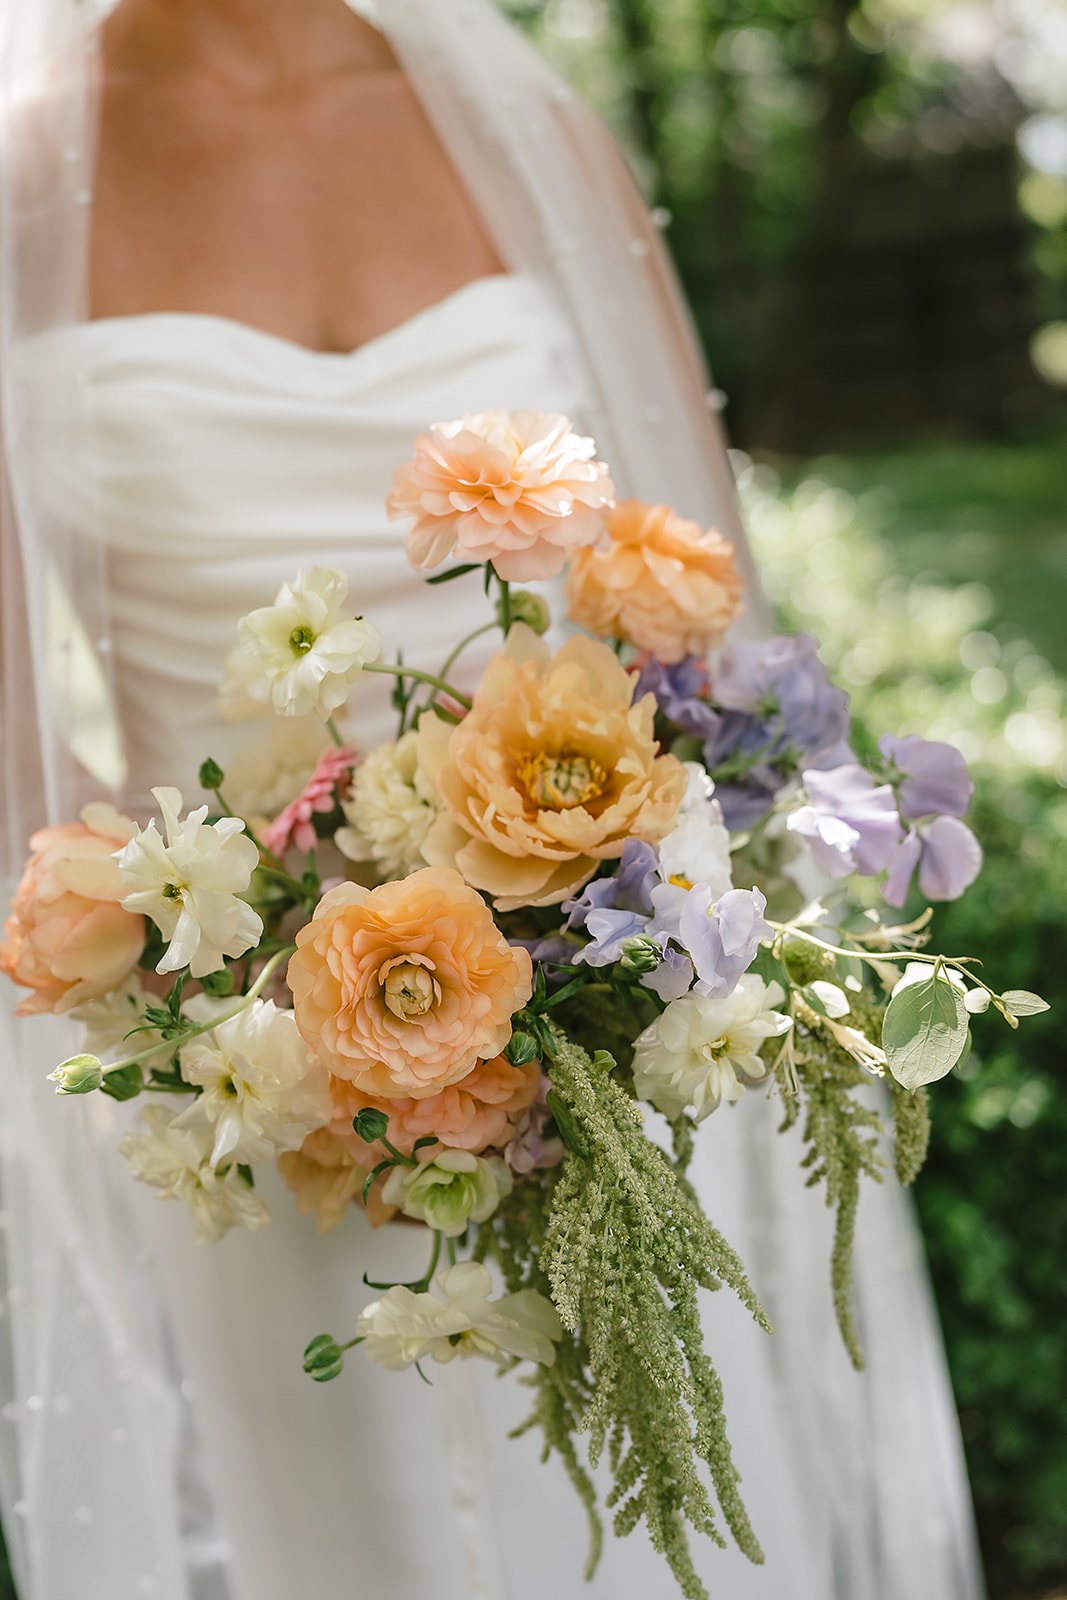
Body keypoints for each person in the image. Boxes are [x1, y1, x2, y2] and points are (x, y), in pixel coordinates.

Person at [0, 3, 986, 1598]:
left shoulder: (525, 133)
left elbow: (700, 608)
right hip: (284, 1094)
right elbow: (33, 772)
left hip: (626, 1008)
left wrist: (607, 982)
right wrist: (280, 1041)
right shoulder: (26, 167)